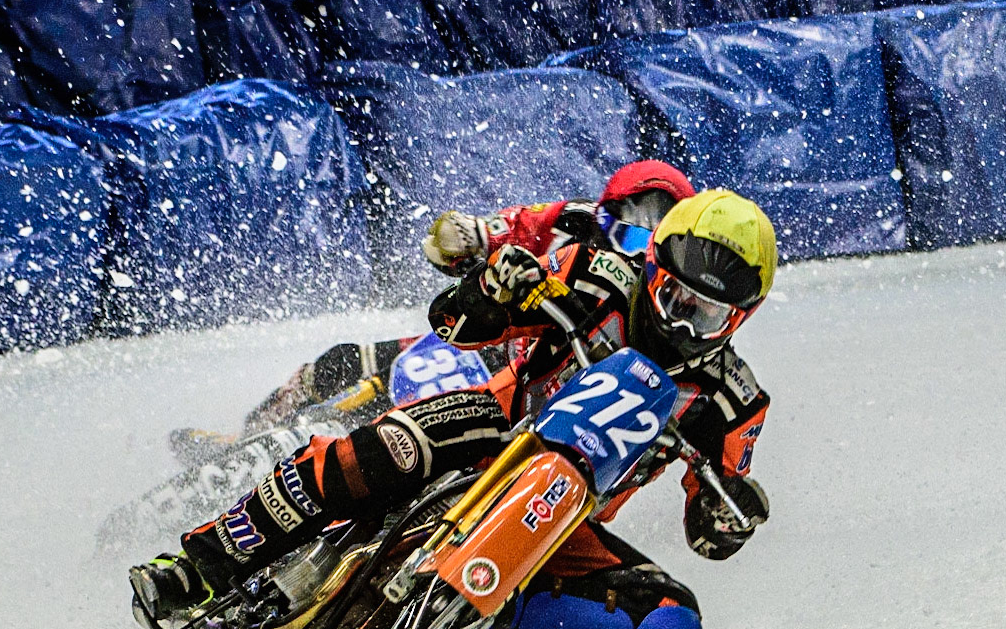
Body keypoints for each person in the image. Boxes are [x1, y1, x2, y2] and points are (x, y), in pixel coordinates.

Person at [134, 190, 774, 629]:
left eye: (707, 316)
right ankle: (199, 566)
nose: (682, 326)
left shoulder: (732, 401)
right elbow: (452, 324)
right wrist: (494, 291)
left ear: (739, 319)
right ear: (655, 266)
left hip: (557, 518)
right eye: (676, 300)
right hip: (495, 425)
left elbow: (709, 535)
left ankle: (483, 602)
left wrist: (731, 516)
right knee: (380, 449)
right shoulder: (592, 270)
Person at [170, 160, 696, 465]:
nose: (631, 250)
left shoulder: (681, 310)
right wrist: (467, 236)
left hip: (535, 394)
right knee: (345, 360)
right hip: (489, 338)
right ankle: (251, 435)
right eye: (623, 230)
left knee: (397, 413)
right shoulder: (572, 220)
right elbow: (493, 231)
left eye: (648, 240)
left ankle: (343, 456)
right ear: (602, 213)